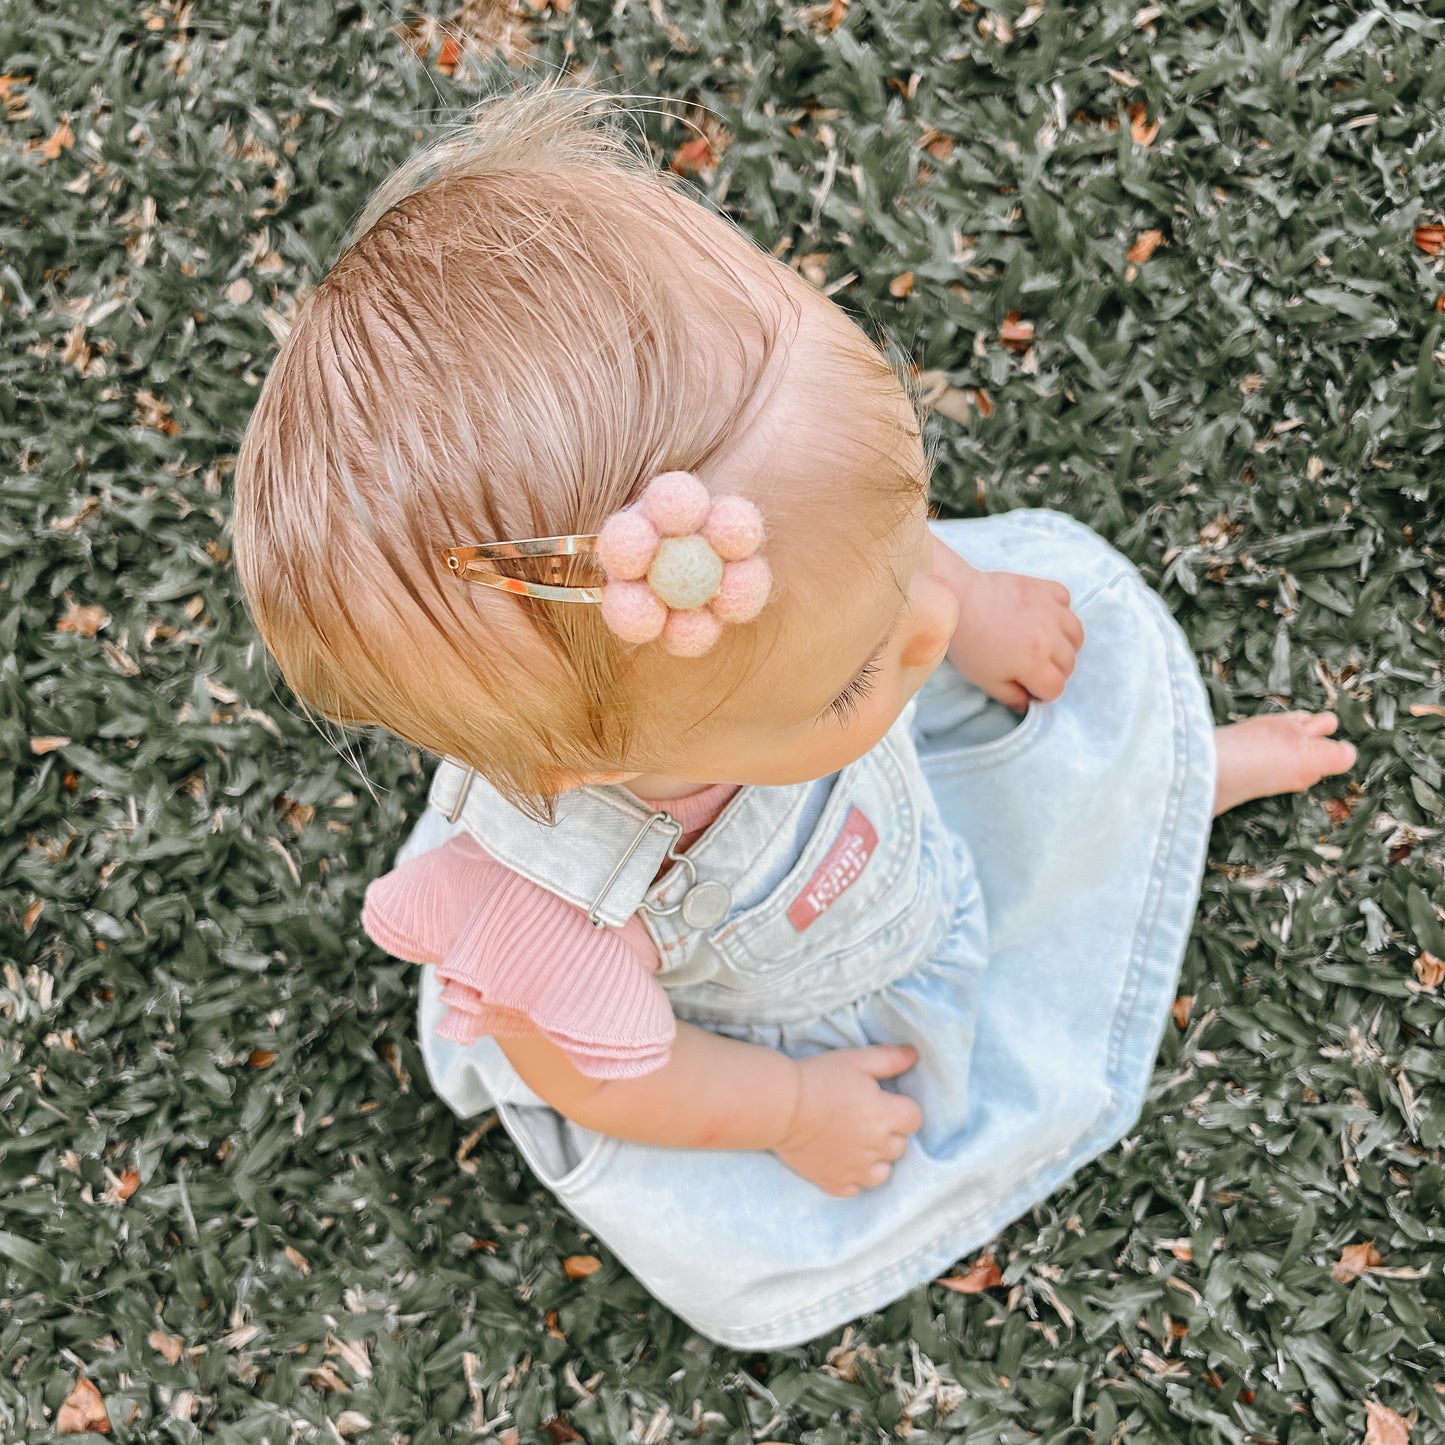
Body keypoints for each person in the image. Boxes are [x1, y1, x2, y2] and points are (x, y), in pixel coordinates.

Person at [231, 79, 1356, 1349]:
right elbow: (623, 1080)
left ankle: (1148, 791)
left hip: (897, 818)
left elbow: (893, 582)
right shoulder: (571, 907)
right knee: (748, 1248)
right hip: (804, 988)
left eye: (900, 551)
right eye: (849, 669)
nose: (914, 628)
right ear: (597, 756)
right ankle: (1132, 816)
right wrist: (786, 1106)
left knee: (1003, 733)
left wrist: (963, 600)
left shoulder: (811, 585)